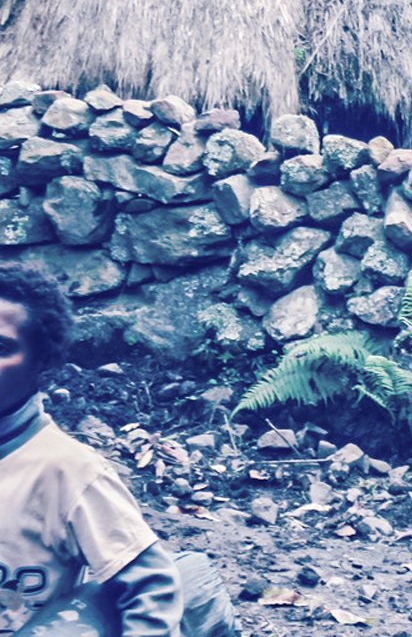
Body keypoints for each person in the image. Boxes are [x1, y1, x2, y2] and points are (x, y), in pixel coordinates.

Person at [0, 263, 237, 637]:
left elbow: (152, 586)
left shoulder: (69, 470)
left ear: (40, 362)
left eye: (1, 347)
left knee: (189, 574)